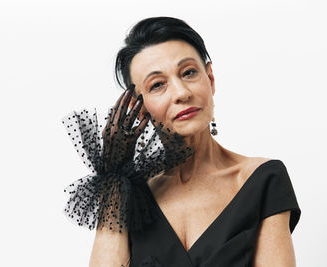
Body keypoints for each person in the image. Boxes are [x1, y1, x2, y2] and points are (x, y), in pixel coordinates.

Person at [63, 16, 301, 267]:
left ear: (210, 78)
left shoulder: (262, 180)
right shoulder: (133, 196)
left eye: (188, 73)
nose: (181, 93)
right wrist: (115, 178)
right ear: (138, 108)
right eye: (157, 85)